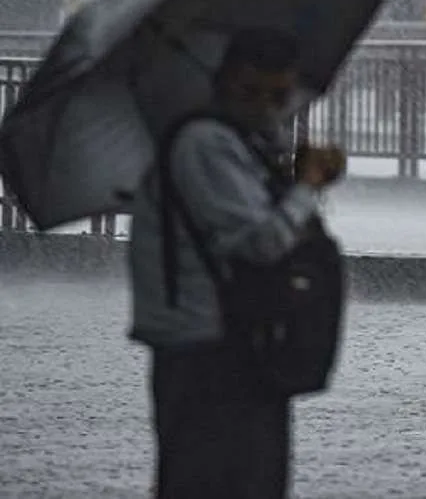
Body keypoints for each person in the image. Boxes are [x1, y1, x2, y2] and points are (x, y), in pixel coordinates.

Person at [127, 28, 346, 499]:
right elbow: (260, 242)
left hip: (236, 343)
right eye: (251, 91)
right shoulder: (206, 143)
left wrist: (294, 182)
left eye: (279, 95)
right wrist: (306, 187)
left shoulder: (239, 144)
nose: (266, 106)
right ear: (223, 81)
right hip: (208, 349)